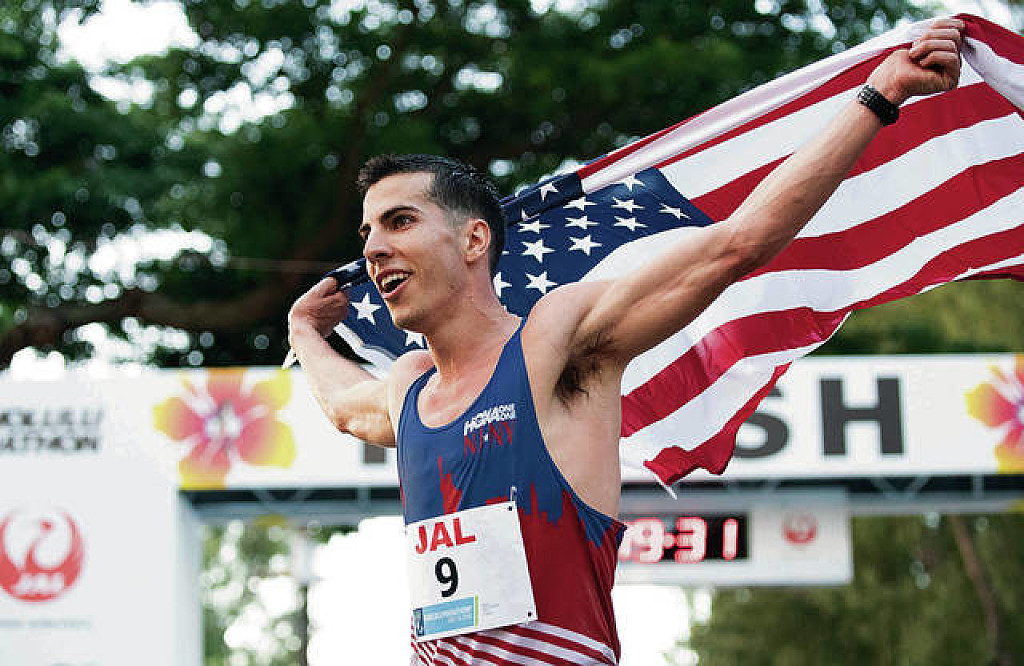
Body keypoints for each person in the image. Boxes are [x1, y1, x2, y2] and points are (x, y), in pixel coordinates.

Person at [288, 18, 964, 665]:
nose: (374, 248)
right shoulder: (409, 388)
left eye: (400, 221)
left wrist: (880, 95)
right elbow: (343, 405)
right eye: (368, 233)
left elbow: (737, 244)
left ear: (474, 240)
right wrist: (302, 329)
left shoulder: (555, 340)